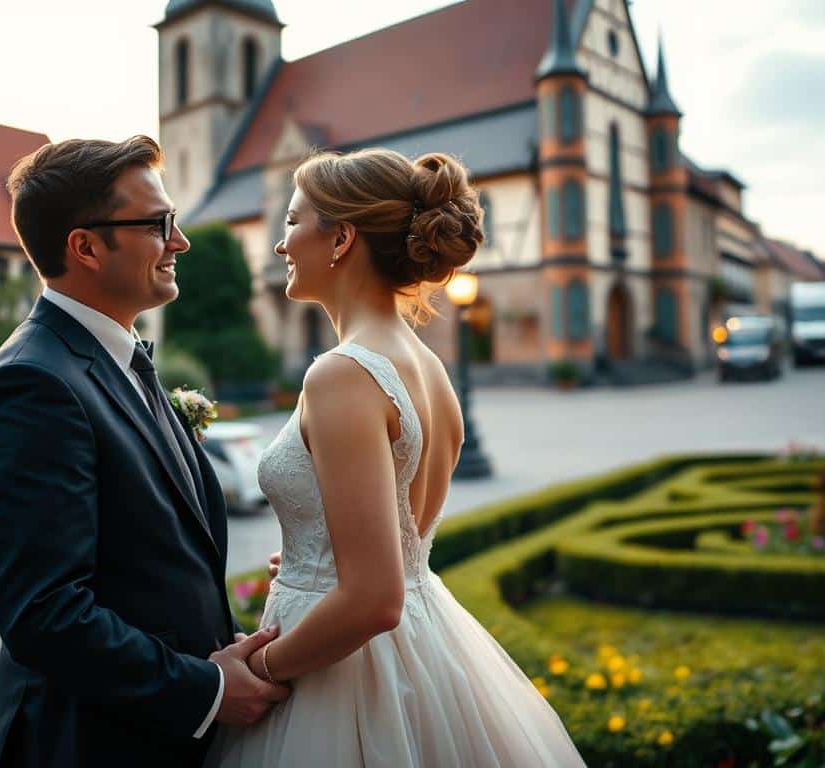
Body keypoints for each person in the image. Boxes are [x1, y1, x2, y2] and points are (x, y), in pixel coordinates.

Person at [208, 149, 585, 766]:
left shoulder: (343, 374)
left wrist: (255, 669)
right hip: (426, 645)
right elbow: (393, 542)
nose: (280, 245)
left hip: (348, 675)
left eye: (292, 222)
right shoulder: (432, 372)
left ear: (342, 239)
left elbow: (375, 598)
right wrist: (313, 553)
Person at [0, 136, 288, 768]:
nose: (179, 242)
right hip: (87, 742)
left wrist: (223, 643)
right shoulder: (30, 385)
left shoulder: (121, 359)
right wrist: (206, 690)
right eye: (159, 225)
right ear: (85, 246)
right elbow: (47, 615)